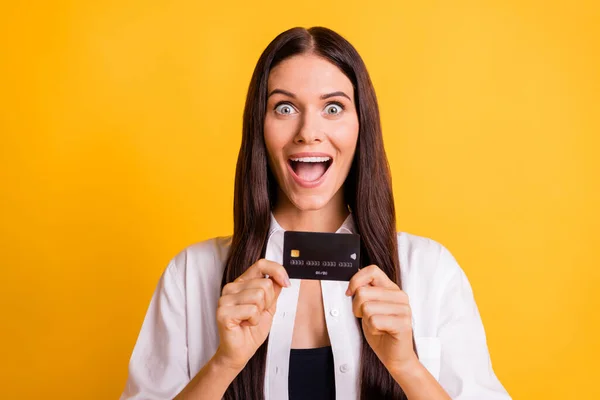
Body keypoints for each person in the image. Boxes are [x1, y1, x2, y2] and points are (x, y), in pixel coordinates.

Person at [120, 26, 511, 400]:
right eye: (285, 107)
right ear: (259, 126)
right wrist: (224, 363)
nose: (309, 131)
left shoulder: (431, 271)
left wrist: (406, 365)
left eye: (333, 107)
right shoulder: (190, 275)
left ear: (362, 126)